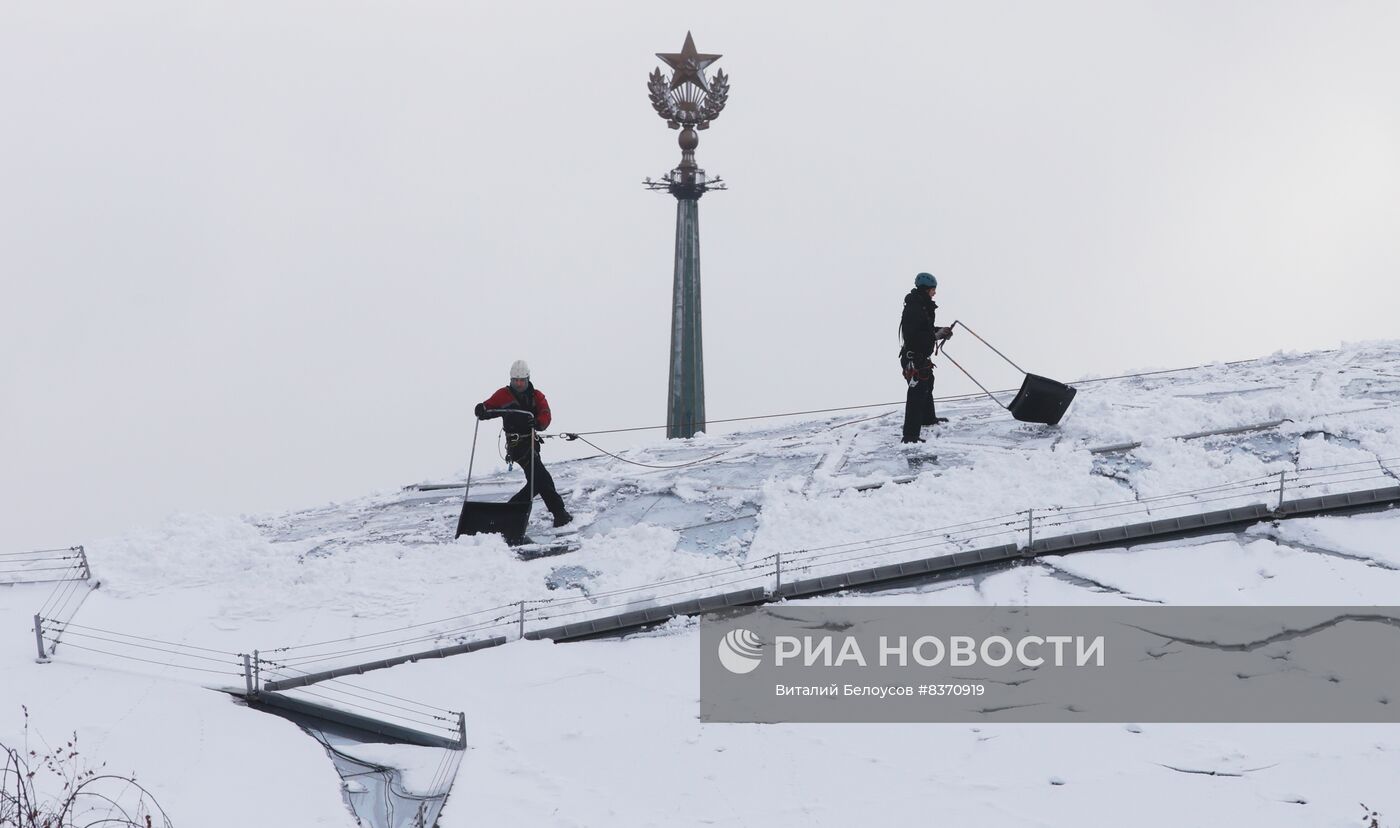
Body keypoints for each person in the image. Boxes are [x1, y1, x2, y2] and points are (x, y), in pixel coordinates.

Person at [474, 360, 573, 527]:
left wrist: (539, 423)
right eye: (515, 380)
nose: (518, 384)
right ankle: (560, 514)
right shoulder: (503, 395)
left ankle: (507, 514)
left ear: (528, 379)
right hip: (517, 447)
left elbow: (545, 414)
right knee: (542, 479)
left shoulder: (537, 396)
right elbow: (488, 408)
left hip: (532, 444)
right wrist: (481, 409)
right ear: (511, 380)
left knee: (537, 482)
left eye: (522, 380)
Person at [899, 272, 953, 443]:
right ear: (926, 289)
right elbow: (913, 336)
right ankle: (910, 436)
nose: (934, 293)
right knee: (917, 393)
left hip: (921, 357)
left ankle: (928, 419)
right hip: (913, 358)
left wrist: (940, 330)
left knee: (927, 384)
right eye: (933, 290)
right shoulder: (914, 308)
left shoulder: (922, 306)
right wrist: (935, 336)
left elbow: (925, 329)